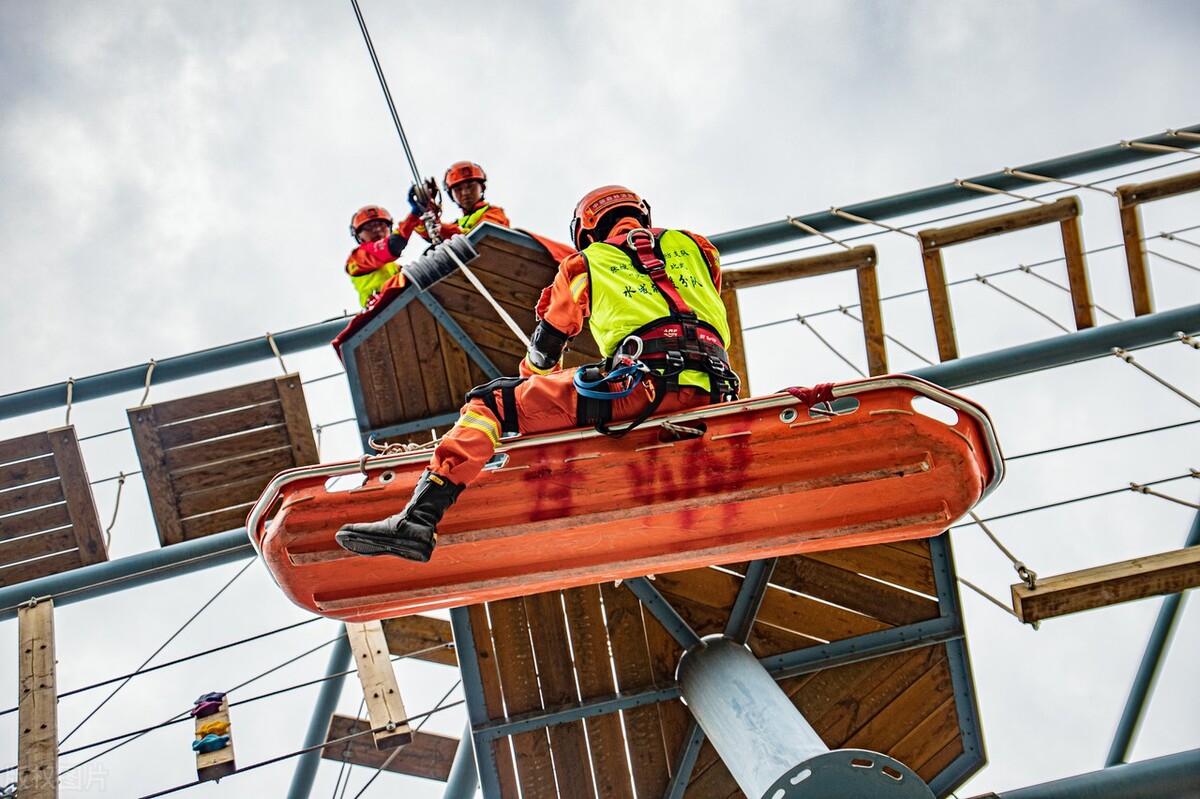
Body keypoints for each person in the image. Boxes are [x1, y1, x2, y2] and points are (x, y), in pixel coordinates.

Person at [335, 185, 740, 562]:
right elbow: (703, 302)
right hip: (717, 388)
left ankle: (418, 519)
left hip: (640, 387)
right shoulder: (698, 248)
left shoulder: (585, 262)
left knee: (490, 403)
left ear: (587, 231)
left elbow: (548, 345)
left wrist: (533, 384)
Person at [345, 204, 406, 308]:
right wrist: (413, 217)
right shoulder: (357, 259)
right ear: (358, 235)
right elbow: (392, 245)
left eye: (381, 225)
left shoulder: (395, 267)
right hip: (379, 310)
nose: (377, 229)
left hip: (401, 303)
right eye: (369, 227)